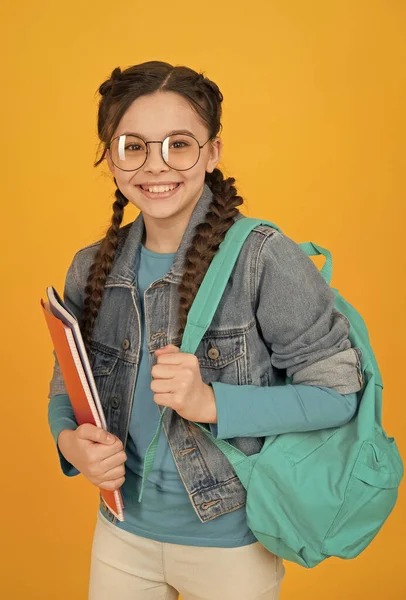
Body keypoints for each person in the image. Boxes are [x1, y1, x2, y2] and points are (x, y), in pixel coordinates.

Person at [47, 61, 363, 600]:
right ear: (111, 155)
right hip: (122, 538)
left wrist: (213, 402)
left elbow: (338, 394)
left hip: (231, 548)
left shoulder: (264, 258)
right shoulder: (90, 265)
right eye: (133, 146)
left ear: (212, 152)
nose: (156, 165)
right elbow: (66, 383)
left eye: (179, 144)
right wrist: (69, 443)